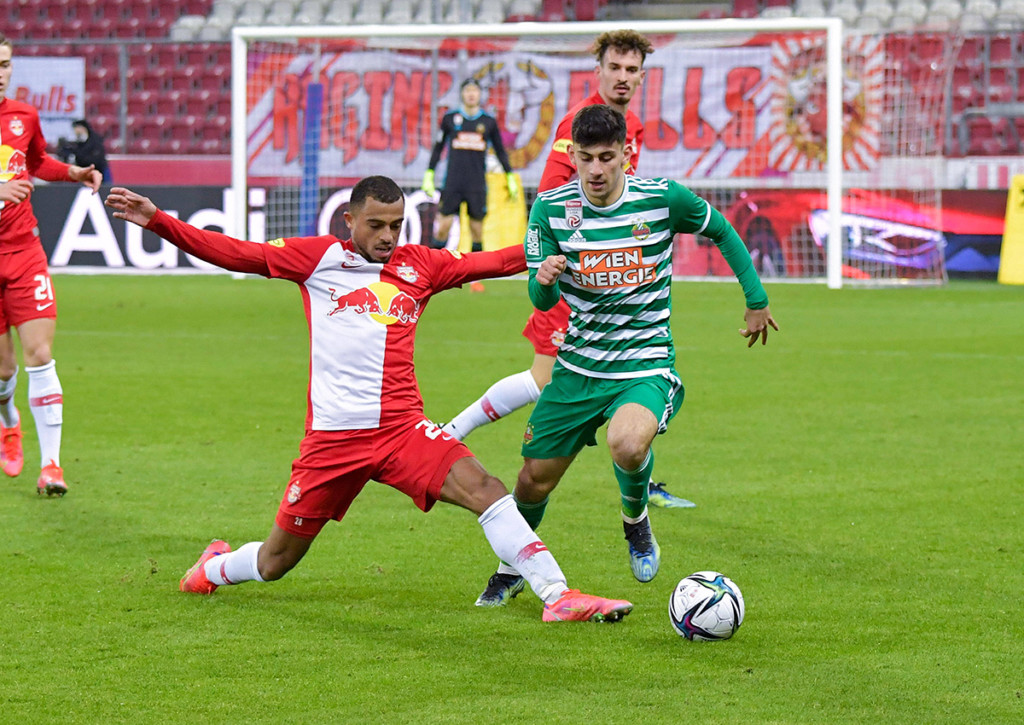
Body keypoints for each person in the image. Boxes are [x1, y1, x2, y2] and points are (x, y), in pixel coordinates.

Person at [104, 176, 633, 624]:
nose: (387, 236)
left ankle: (557, 594)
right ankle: (213, 568)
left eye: (396, 225)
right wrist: (158, 221)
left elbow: (492, 261)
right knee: (275, 562)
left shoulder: (420, 266)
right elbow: (238, 253)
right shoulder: (318, 259)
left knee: (486, 488)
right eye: (376, 225)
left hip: (402, 431)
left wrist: (560, 248)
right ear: (350, 221)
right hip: (332, 442)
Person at [474, 104, 778, 605]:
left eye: (606, 157)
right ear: (573, 155)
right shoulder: (550, 209)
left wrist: (756, 298)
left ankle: (635, 521)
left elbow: (721, 229)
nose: (595, 169)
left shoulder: (661, 199)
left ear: (626, 154)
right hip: (578, 366)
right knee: (532, 481)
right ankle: (512, 568)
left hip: (645, 362)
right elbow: (541, 300)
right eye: (585, 158)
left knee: (628, 443)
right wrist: (544, 281)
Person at [443, 30, 695, 515]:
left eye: (631, 70)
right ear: (597, 71)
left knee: (621, 383)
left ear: (642, 76)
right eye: (614, 67)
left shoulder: (631, 125)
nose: (622, 77)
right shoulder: (578, 124)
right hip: (576, 281)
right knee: (545, 379)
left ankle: (639, 472)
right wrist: (557, 266)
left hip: (610, 283)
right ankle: (453, 430)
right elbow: (553, 203)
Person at [0, 34, 103, 496]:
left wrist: (73, 172)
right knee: (3, 371)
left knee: (40, 355)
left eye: (4, 65)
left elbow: (37, 161)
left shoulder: (23, 116)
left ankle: (51, 466)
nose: (0, 74)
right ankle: (8, 421)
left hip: (24, 251)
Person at [421, 78, 518, 292]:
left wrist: (510, 176)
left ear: (480, 95)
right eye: (468, 91)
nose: (471, 94)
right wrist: (429, 173)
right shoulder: (450, 119)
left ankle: (475, 277)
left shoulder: (488, 122)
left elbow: (500, 151)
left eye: (475, 90)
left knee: (477, 231)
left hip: (476, 185)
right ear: (462, 94)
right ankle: (430, 272)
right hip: (453, 183)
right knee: (443, 227)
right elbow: (438, 148)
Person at [56, 119, 111, 184]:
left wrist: (77, 157)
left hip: (99, 173)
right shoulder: (76, 143)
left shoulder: (95, 142)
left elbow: (96, 161)